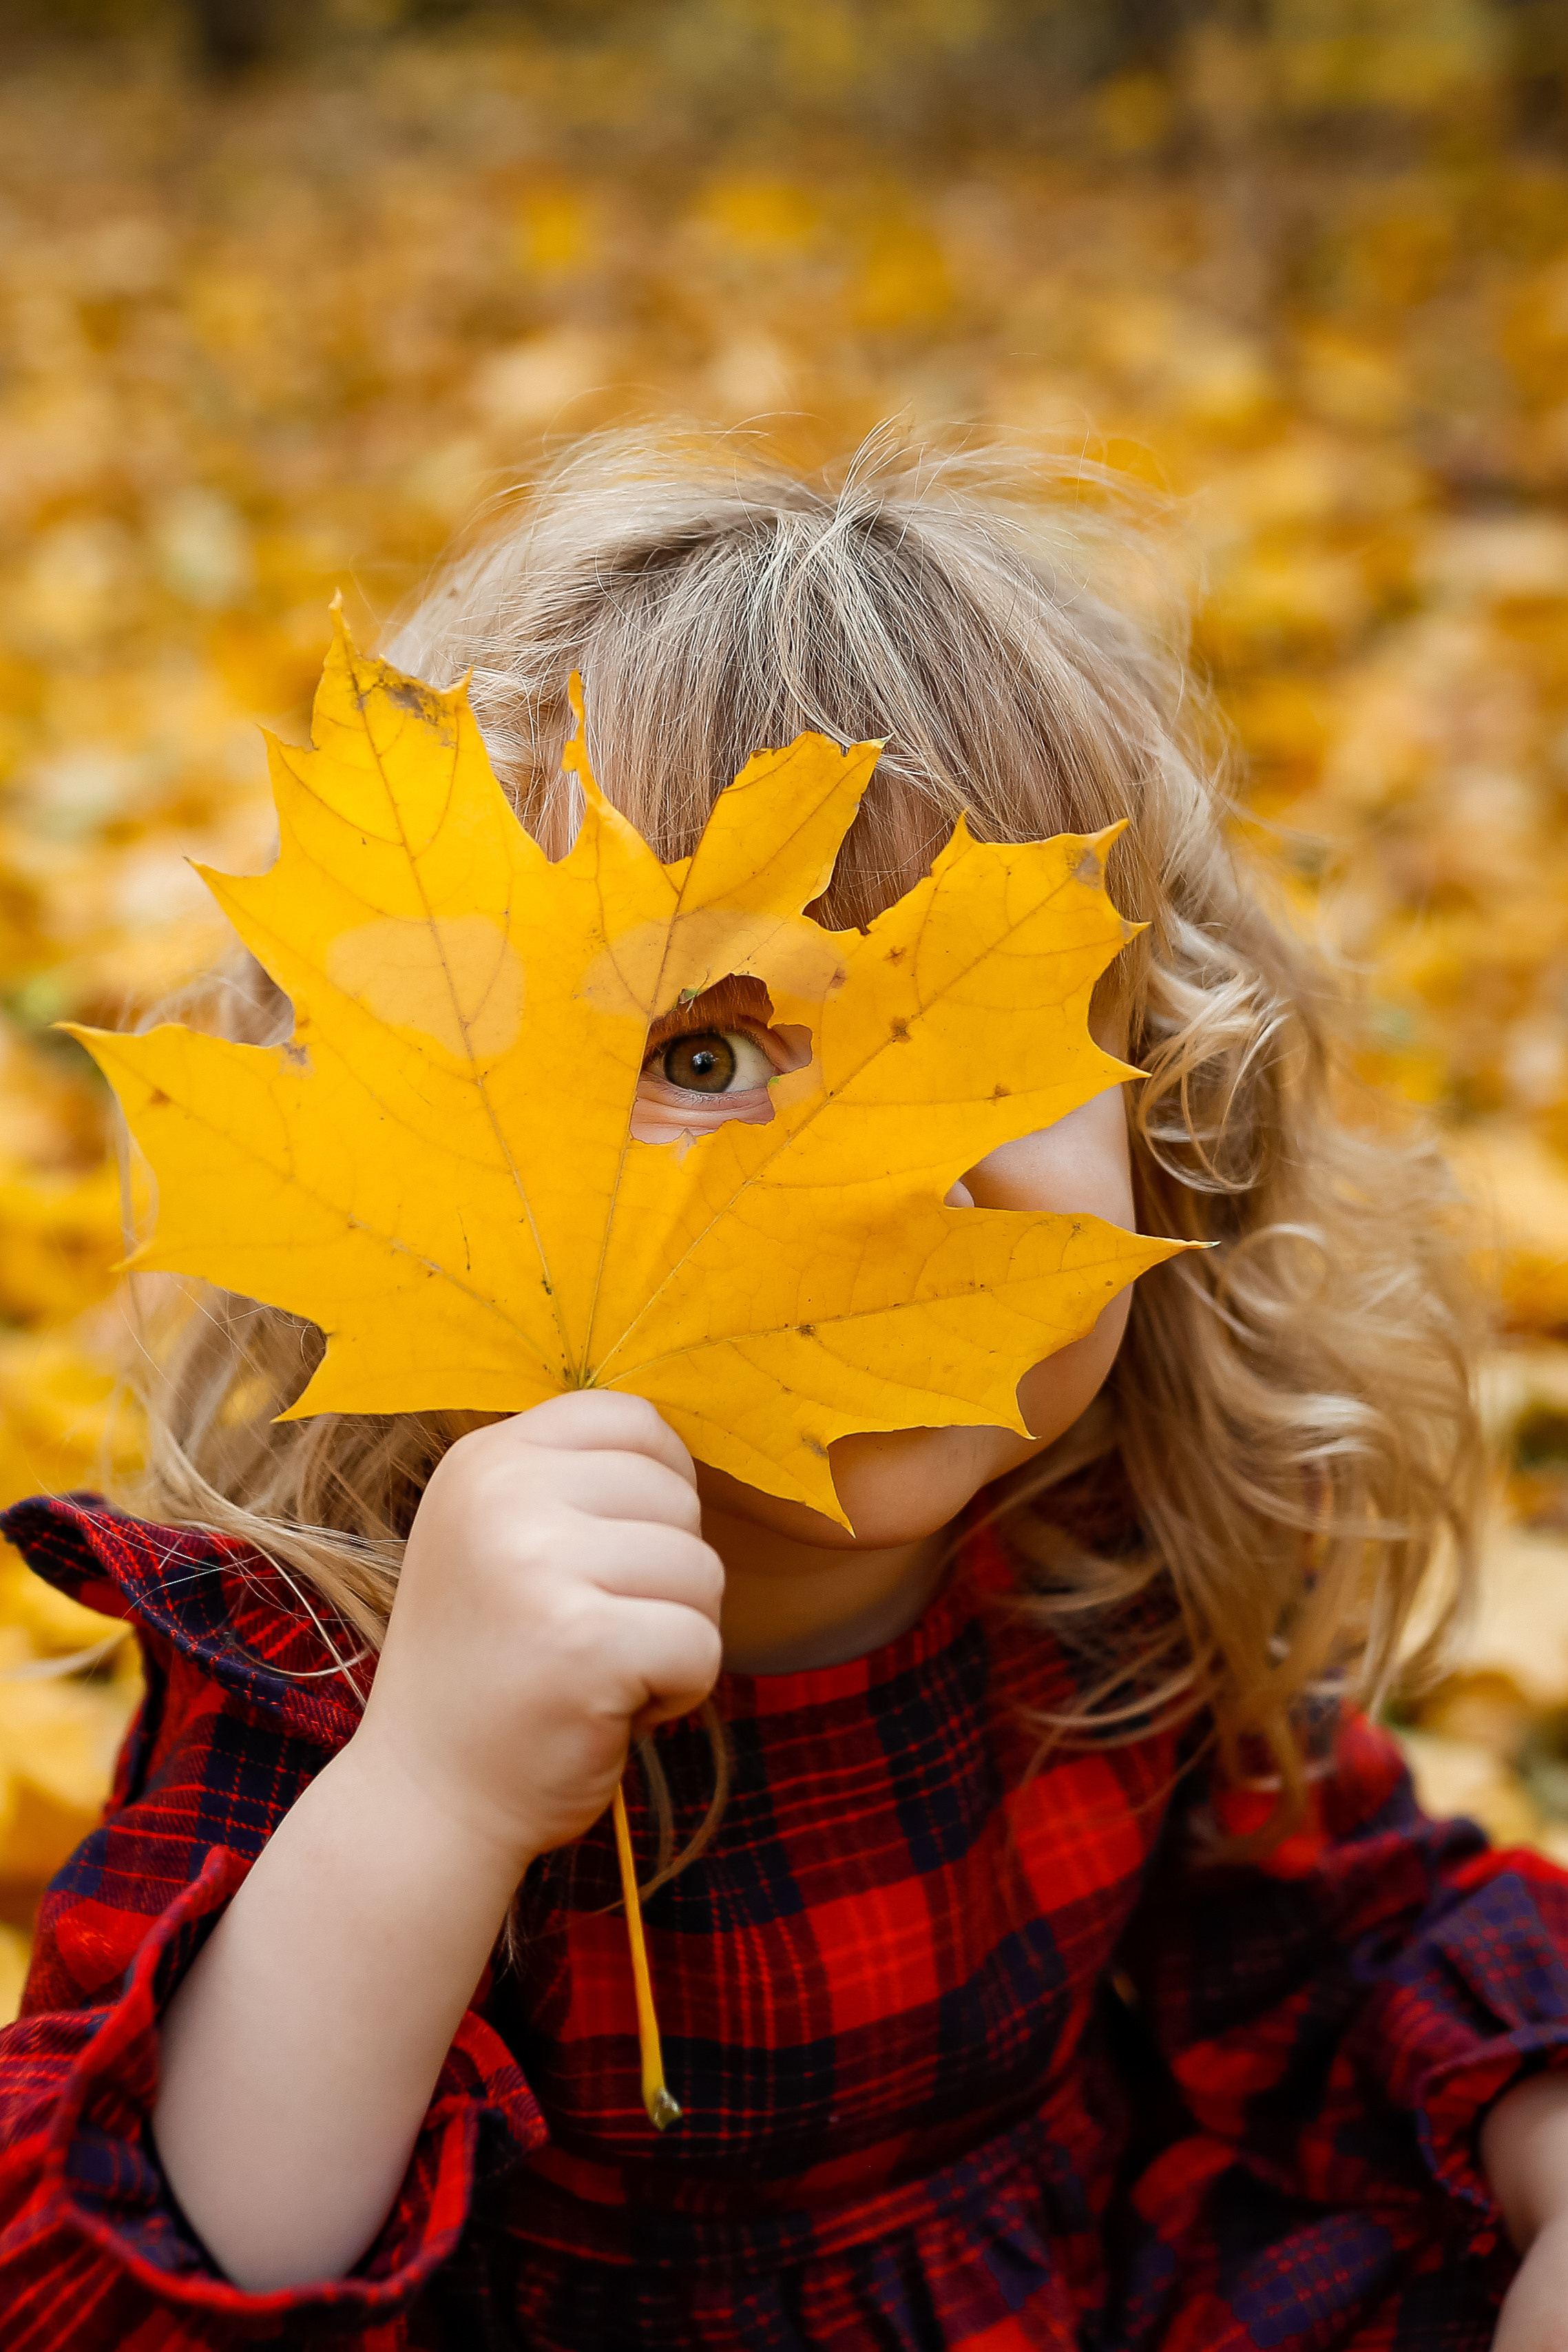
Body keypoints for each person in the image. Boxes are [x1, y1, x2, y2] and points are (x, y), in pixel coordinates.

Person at [3, 433, 1567, 2352]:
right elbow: (160, 2258)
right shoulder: (341, 1650)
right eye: (708, 1050)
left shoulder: (1115, 1577)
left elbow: (1354, 1935)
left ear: (1175, 1116)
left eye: (973, 1044)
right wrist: (435, 1794)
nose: (875, 1173)